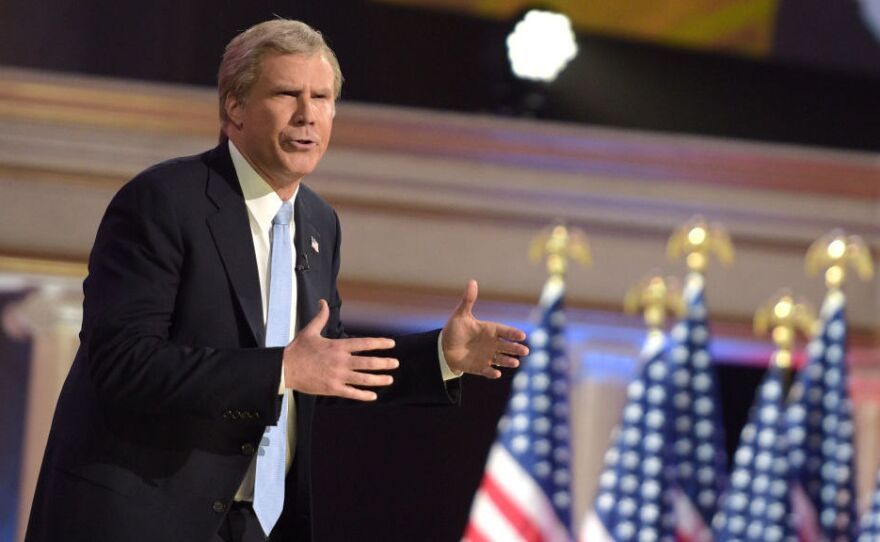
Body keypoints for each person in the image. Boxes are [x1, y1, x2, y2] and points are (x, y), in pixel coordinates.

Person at [24, 18, 528, 542]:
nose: (308, 115)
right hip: (142, 519)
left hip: (252, 525)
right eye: (287, 94)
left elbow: (325, 364)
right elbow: (124, 364)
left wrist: (440, 357)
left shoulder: (318, 223)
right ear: (235, 108)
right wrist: (281, 368)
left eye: (323, 97)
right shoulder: (162, 202)